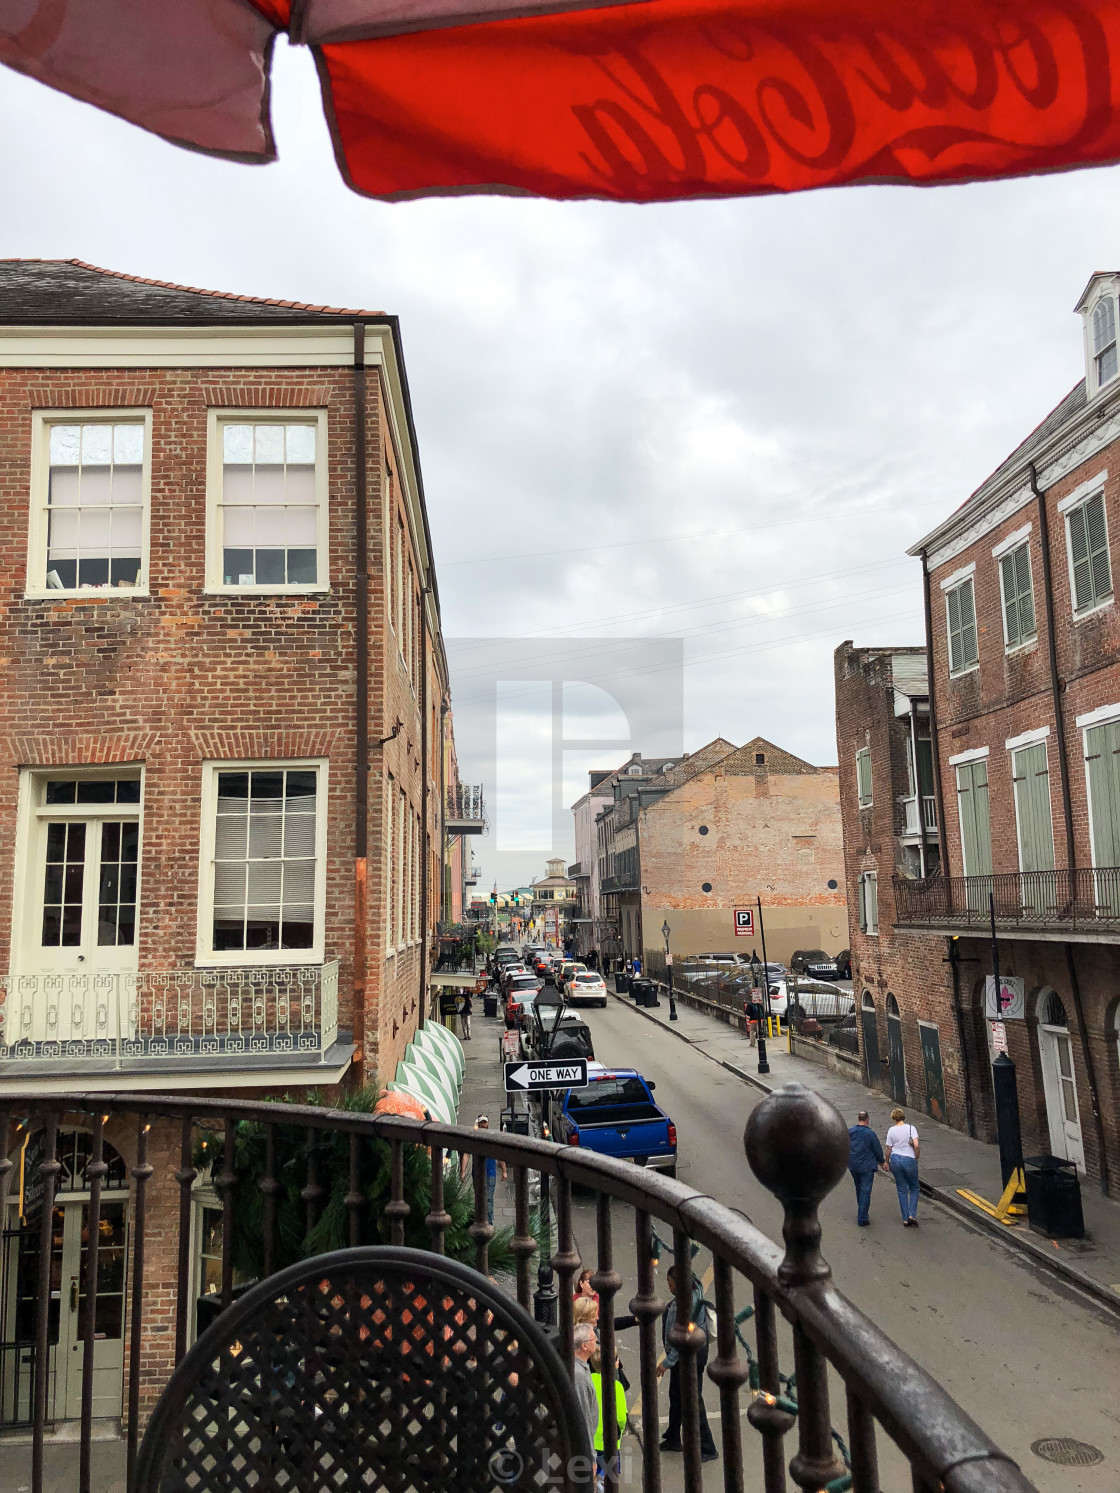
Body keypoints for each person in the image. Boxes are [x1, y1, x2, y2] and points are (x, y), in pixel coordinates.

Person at [657, 1266, 717, 1462]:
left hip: (689, 1357)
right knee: (676, 1395)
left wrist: (667, 1362)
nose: (669, 1286)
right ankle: (673, 1436)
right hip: (688, 1356)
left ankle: (708, 1448)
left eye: (671, 1283)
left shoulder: (688, 1304)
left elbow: (683, 1337)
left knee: (692, 1400)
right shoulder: (693, 1290)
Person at [590, 1347, 628, 1487]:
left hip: (592, 1439)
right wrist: (620, 1431)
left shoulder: (590, 1380)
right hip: (610, 1441)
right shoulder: (616, 1386)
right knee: (610, 1479)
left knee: (591, 1476)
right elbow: (621, 1418)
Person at [460, 1116, 506, 1222]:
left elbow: (499, 1154)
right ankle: (480, 1219)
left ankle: (488, 1222)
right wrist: (463, 1171)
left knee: (488, 1198)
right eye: (481, 1122)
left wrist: (504, 1170)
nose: (483, 1124)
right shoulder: (473, 1139)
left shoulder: (491, 1138)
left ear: (488, 1124)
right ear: (478, 1123)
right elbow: (466, 1155)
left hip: (490, 1173)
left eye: (485, 1122)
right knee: (479, 1197)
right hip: (477, 1173)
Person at [847, 1110, 885, 1226]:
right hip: (867, 1166)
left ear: (858, 1119)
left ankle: (861, 1211)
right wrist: (882, 1162)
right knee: (866, 1190)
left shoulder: (850, 1132)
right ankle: (862, 1217)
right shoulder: (871, 1134)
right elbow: (877, 1150)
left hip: (854, 1165)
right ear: (867, 1120)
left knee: (859, 1188)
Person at [885, 1107, 921, 1227]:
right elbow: (916, 1145)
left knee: (901, 1189)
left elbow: (888, 1149)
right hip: (909, 1159)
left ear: (893, 1118)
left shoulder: (891, 1130)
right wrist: (916, 1156)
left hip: (895, 1159)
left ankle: (905, 1219)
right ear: (903, 1117)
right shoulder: (911, 1128)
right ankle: (912, 1214)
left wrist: (886, 1161)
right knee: (914, 1188)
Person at [572, 1323, 600, 1452]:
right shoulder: (579, 1375)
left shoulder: (580, 1366)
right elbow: (584, 1416)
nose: (597, 1341)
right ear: (584, 1346)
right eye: (594, 1339)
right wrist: (590, 1454)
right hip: (580, 1449)